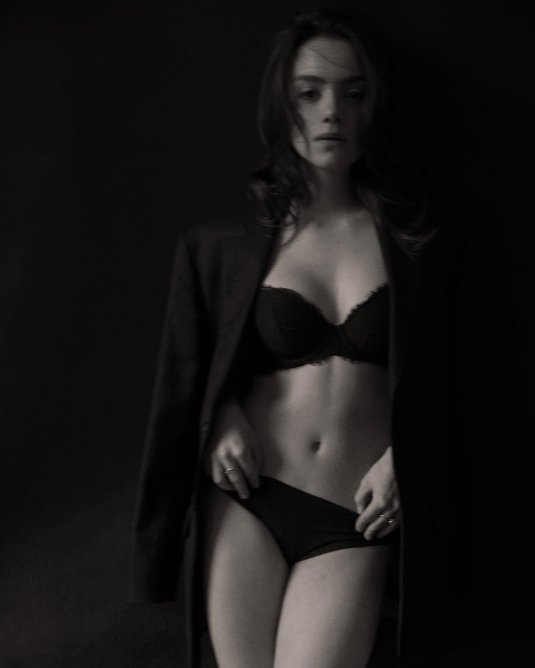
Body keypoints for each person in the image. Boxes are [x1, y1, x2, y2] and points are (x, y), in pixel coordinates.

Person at [130, 8, 444, 667]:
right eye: (309, 92)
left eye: (353, 93)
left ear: (374, 105)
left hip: (354, 516)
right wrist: (220, 416)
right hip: (249, 499)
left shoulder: (418, 242)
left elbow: (468, 379)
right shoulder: (221, 246)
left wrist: (408, 460)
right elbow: (187, 377)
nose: (332, 111)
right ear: (283, 104)